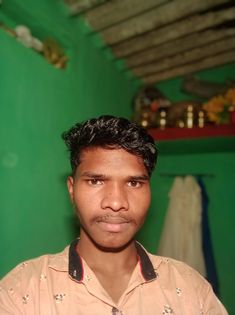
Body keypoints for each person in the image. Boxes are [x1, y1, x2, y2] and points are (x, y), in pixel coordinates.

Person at [0, 115, 228, 314]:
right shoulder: (21, 289)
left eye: (134, 183)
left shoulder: (191, 288)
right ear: (72, 189)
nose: (117, 202)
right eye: (96, 181)